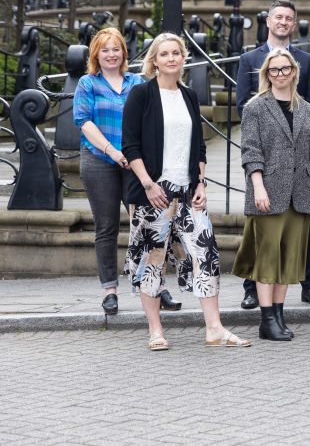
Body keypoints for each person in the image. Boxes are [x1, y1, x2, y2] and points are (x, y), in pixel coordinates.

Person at [123, 33, 250, 351]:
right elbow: (131, 145)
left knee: (206, 255)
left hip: (189, 190)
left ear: (183, 58)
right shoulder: (142, 94)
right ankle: (155, 330)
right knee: (152, 261)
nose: (170, 58)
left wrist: (201, 183)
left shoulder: (189, 96)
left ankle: (215, 328)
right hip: (154, 191)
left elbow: (199, 146)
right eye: (164, 53)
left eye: (176, 53)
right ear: (154, 60)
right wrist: (148, 184)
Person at [73, 28, 181, 316]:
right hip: (99, 160)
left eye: (116, 49)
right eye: (105, 49)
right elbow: (83, 122)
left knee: (147, 225)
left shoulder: (138, 82)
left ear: (124, 53)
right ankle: (110, 290)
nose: (111, 54)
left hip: (136, 162)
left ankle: (154, 285)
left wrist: (134, 156)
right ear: (96, 54)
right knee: (106, 226)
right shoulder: (88, 83)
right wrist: (113, 151)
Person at [235, 0, 310, 308]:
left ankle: (308, 284)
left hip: (300, 159)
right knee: (262, 233)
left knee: (302, 228)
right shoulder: (249, 59)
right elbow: (241, 106)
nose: (283, 21)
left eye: (289, 17)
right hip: (266, 158)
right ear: (268, 21)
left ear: (295, 22)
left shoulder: (306, 60)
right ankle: (253, 290)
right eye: (278, 17)